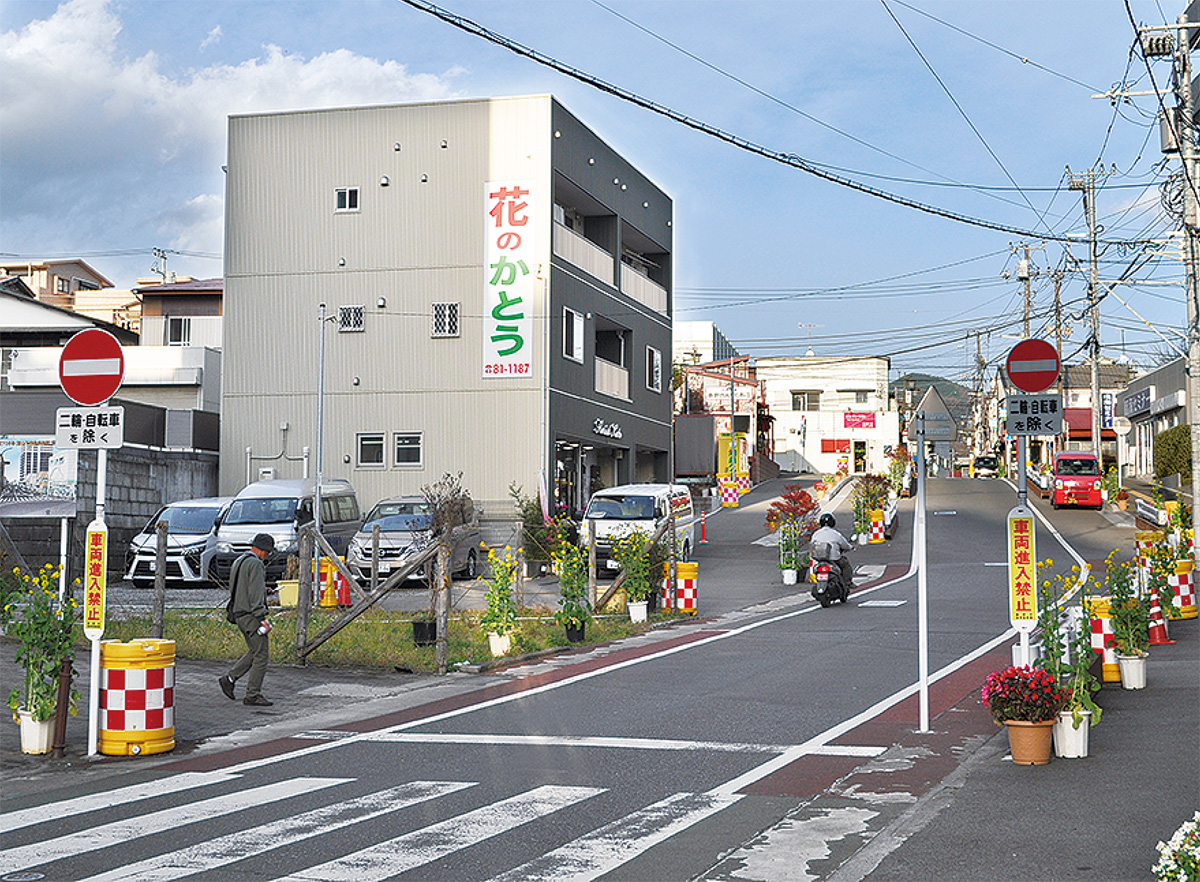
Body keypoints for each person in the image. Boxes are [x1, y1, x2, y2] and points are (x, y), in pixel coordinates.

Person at [219, 533, 275, 706]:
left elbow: (244, 587)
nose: (268, 556)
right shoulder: (256, 564)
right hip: (252, 616)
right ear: (263, 550)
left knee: (254, 651)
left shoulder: (240, 561)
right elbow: (254, 594)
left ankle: (229, 679)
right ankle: (253, 694)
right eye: (268, 552)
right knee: (262, 655)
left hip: (239, 614)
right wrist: (262, 618)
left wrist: (264, 590)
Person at [810, 513, 853, 589]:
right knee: (845, 565)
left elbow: (812, 544)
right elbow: (845, 545)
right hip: (834, 559)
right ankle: (847, 583)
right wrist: (850, 547)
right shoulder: (836, 534)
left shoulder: (816, 534)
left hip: (819, 559)